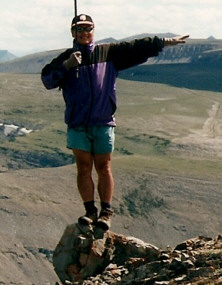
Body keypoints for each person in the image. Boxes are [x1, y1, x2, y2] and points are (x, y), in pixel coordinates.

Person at [41, 13, 187, 231]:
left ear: (94, 31)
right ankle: (90, 211)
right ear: (73, 32)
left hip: (103, 122)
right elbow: (47, 80)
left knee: (103, 166)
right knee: (83, 167)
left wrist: (164, 42)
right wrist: (67, 66)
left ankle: (106, 212)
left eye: (88, 28)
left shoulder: (108, 53)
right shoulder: (66, 58)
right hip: (78, 123)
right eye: (80, 29)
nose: (84, 33)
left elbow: (136, 48)